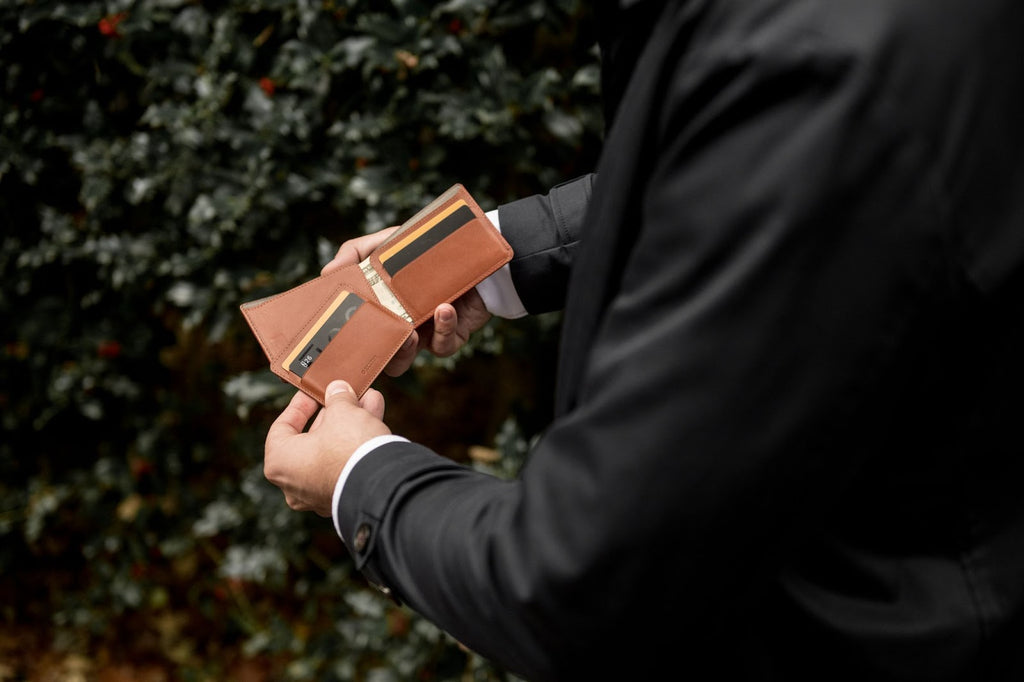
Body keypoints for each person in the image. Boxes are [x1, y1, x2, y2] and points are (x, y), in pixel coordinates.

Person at [263, 1, 1024, 679]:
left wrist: (360, 481)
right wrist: (483, 257)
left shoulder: (821, 65)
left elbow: (577, 582)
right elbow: (735, 171)